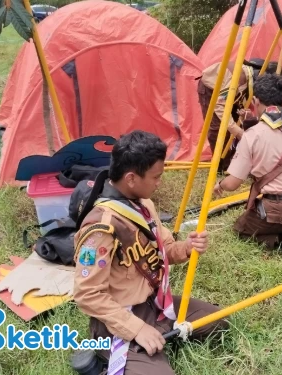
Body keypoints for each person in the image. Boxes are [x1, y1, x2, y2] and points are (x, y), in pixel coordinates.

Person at [73, 131, 228, 375]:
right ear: (131, 178)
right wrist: (136, 329)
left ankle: (155, 341)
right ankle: (104, 359)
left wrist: (186, 248)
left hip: (155, 303)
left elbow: (164, 249)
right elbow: (87, 294)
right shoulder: (100, 228)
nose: (160, 182)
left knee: (220, 320)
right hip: (119, 317)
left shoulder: (143, 205)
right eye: (156, 177)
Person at [213, 74, 282, 261]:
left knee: (241, 229)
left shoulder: (253, 135)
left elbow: (233, 183)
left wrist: (220, 185)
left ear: (255, 101)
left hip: (279, 208)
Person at [197, 58, 282, 172]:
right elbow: (220, 106)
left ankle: (235, 161)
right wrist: (237, 131)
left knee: (235, 121)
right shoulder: (240, 78)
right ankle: (221, 167)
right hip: (212, 89)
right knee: (218, 127)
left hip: (231, 91)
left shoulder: (254, 79)